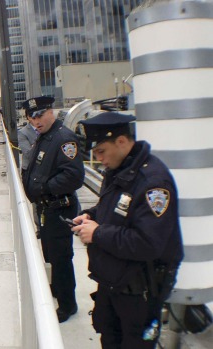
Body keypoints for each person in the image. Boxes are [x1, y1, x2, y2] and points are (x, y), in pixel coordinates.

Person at [72, 112, 183, 348]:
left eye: (101, 151)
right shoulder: (119, 169)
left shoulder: (153, 183)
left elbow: (148, 243)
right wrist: (91, 216)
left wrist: (98, 233)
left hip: (139, 294)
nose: (98, 158)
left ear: (121, 141)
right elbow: (113, 209)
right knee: (109, 337)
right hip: (113, 284)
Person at [21, 96, 85, 323]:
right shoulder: (46, 136)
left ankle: (68, 305)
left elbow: (74, 176)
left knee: (61, 257)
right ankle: (58, 288)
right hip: (48, 208)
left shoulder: (63, 139)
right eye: (31, 117)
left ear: (51, 112)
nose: (35, 121)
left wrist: (45, 188)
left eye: (39, 115)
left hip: (60, 208)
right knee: (51, 254)